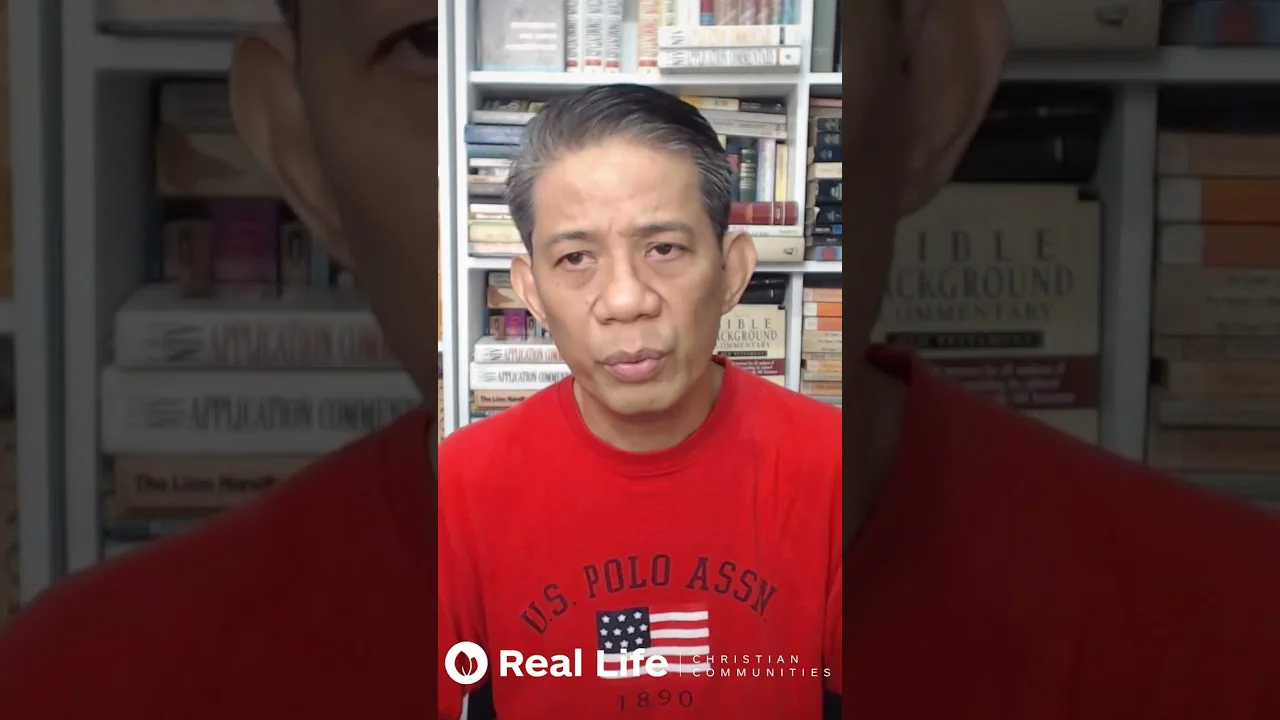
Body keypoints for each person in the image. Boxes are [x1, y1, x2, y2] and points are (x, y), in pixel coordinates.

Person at [1, 0, 1279, 718]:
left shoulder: (1239, 651)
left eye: (738, 16)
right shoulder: (86, 693)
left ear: (933, 91)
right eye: (447, 46)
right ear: (299, 152)